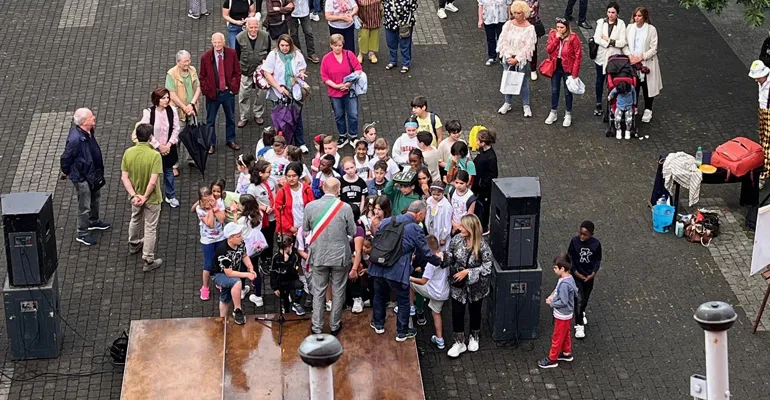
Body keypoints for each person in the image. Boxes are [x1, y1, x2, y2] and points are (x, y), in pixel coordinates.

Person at [369, 201, 441, 341]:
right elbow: (426, 252)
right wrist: (439, 261)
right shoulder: (415, 228)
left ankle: (378, 324)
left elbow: (376, 239)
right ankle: (402, 332)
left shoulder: (387, 221)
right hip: (397, 270)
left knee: (379, 295)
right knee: (403, 301)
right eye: (424, 215)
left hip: (377, 267)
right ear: (419, 214)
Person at [302, 177, 357, 335]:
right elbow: (352, 232)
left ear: (323, 188)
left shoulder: (310, 206)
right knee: (338, 291)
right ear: (338, 190)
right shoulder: (345, 207)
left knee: (319, 291)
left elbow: (305, 228)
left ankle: (317, 327)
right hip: (340, 256)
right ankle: (334, 325)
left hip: (319, 255)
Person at [444, 214, 492, 357]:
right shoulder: (456, 239)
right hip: (458, 285)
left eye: (463, 226)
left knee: (475, 312)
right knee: (457, 312)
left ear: (471, 229)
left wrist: (468, 272)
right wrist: (442, 257)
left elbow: (487, 267)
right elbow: (451, 255)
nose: (460, 228)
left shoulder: (482, 245)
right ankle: (459, 342)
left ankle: (474, 336)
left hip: (476, 288)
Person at [60, 108, 110, 246]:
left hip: (92, 172)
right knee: (84, 204)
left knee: (95, 196)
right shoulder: (75, 139)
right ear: (83, 122)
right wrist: (66, 171)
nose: (94, 117)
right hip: (82, 176)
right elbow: (66, 157)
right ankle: (82, 233)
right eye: (91, 116)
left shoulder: (88, 131)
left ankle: (93, 221)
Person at [120, 124, 163, 271]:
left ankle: (133, 243)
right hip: (152, 198)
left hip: (135, 196)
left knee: (135, 218)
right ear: (150, 137)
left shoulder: (128, 153)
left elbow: (124, 177)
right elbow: (153, 181)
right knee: (150, 228)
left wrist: (134, 195)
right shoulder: (155, 155)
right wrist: (145, 196)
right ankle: (148, 259)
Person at [263, 35, 310, 151]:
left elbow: (302, 67)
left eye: (287, 45)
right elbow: (267, 73)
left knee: (296, 116)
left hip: (294, 91)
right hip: (279, 93)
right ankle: (282, 143)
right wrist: (279, 88)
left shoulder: (297, 54)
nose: (284, 48)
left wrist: (301, 73)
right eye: (282, 45)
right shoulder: (273, 55)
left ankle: (300, 142)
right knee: (280, 118)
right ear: (278, 45)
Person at [139, 88, 181, 208]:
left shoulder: (172, 110)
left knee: (169, 172)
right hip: (153, 150)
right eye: (163, 98)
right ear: (157, 99)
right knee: (153, 174)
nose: (166, 100)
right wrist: (158, 146)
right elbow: (145, 132)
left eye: (167, 97)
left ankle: (170, 196)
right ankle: (151, 196)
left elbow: (176, 128)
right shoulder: (148, 113)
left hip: (168, 149)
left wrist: (168, 145)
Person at [200, 32, 242, 152]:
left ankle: (231, 139)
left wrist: (233, 87)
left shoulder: (232, 53)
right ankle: (211, 143)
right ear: (212, 42)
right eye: (215, 42)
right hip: (213, 94)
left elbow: (237, 72)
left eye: (219, 42)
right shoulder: (205, 57)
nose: (217, 45)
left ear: (224, 42)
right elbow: (202, 76)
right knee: (210, 120)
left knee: (231, 118)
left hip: (228, 93)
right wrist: (207, 90)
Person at [321, 34, 364, 147]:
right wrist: (336, 86)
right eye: (335, 45)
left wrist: (349, 84)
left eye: (340, 45)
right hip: (334, 93)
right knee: (339, 115)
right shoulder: (326, 59)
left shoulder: (349, 55)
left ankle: (353, 136)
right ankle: (343, 136)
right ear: (331, 45)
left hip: (350, 91)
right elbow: (324, 77)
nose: (338, 48)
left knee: (353, 114)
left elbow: (358, 69)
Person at [496, 1, 537, 117]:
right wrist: (508, 56)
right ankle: (507, 103)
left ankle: (526, 105)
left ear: (524, 13)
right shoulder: (508, 25)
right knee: (508, 79)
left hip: (521, 60)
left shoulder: (530, 28)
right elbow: (502, 41)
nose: (516, 15)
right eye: (514, 13)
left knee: (524, 82)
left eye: (519, 13)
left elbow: (529, 46)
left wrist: (517, 59)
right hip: (508, 58)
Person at [212, 223, 258, 325]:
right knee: (237, 282)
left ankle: (222, 320)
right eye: (238, 236)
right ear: (230, 238)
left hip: (232, 271)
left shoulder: (240, 243)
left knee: (225, 297)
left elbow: (244, 256)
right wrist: (247, 274)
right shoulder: (223, 251)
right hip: (220, 274)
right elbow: (229, 273)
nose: (241, 238)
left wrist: (250, 268)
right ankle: (237, 310)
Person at [538, 253, 578, 368]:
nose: (554, 270)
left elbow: (563, 301)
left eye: (555, 268)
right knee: (565, 334)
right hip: (567, 314)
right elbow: (557, 290)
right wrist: (552, 295)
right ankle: (566, 352)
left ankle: (552, 359)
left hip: (562, 315)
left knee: (557, 337)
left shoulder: (564, 284)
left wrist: (552, 303)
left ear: (562, 269)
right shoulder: (567, 279)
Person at [410, 235, 450, 349]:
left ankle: (411, 307)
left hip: (433, 291)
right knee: (436, 313)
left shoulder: (431, 263)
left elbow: (423, 281)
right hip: (444, 292)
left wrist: (409, 278)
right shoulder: (445, 256)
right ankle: (440, 340)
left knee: (410, 284)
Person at [624, 7, 662, 124]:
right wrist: (630, 56)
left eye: (639, 16)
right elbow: (625, 44)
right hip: (632, 63)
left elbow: (653, 48)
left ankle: (648, 109)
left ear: (644, 17)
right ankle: (634, 106)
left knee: (647, 87)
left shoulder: (651, 29)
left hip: (646, 63)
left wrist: (641, 57)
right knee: (634, 86)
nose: (637, 18)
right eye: (635, 16)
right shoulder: (630, 28)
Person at [166, 50, 202, 173]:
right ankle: (174, 165)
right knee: (176, 139)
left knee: (191, 136)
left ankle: (191, 159)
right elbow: (172, 94)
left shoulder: (192, 70)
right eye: (185, 61)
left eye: (188, 60)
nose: (188, 63)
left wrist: (192, 104)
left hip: (192, 111)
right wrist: (184, 107)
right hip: (178, 113)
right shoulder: (171, 74)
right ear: (178, 62)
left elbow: (198, 88)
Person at [567, 220, 602, 339]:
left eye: (585, 235)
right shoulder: (574, 241)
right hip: (577, 276)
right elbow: (570, 257)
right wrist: (575, 272)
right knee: (579, 299)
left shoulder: (596, 244)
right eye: (580, 233)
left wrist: (593, 273)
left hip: (588, 277)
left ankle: (581, 312)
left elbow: (597, 260)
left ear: (591, 234)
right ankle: (579, 325)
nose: (582, 236)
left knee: (585, 299)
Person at [544, 18, 582, 128]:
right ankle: (553, 112)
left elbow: (578, 56)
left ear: (567, 28)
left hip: (568, 68)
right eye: (558, 27)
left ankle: (568, 113)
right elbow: (549, 50)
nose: (559, 30)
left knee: (567, 91)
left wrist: (575, 73)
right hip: (555, 66)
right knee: (554, 90)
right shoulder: (553, 34)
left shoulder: (573, 37)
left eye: (562, 27)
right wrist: (556, 39)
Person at [592, 2, 626, 116]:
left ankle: (612, 103)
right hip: (601, 57)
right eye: (609, 12)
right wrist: (610, 43)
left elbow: (622, 42)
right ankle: (598, 103)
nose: (610, 15)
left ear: (617, 14)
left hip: (614, 58)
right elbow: (597, 38)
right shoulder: (601, 22)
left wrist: (608, 40)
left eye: (613, 13)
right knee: (599, 80)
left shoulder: (621, 24)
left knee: (612, 81)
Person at [236, 17, 271, 128]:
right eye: (251, 27)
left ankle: (258, 114)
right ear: (246, 27)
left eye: (256, 27)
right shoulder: (239, 38)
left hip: (261, 73)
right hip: (246, 71)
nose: (253, 30)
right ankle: (243, 117)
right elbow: (237, 55)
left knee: (261, 94)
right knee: (243, 95)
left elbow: (269, 52)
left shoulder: (266, 36)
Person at [196, 187, 226, 300]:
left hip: (220, 237)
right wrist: (210, 210)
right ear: (200, 201)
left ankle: (219, 281)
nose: (209, 202)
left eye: (210, 199)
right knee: (208, 264)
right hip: (207, 240)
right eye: (206, 201)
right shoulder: (200, 209)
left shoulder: (219, 203)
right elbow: (210, 224)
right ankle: (205, 287)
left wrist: (215, 208)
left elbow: (222, 219)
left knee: (221, 261)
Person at [238, 194, 268, 308]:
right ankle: (258, 295)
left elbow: (236, 229)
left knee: (242, 268)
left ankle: (241, 290)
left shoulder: (243, 220)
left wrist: (235, 214)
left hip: (245, 249)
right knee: (254, 269)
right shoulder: (259, 214)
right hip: (256, 246)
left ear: (244, 206)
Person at [247, 160, 277, 264]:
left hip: (274, 216)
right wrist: (263, 208)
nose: (270, 174)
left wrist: (275, 204)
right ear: (260, 173)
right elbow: (250, 205)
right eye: (268, 172)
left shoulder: (271, 181)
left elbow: (276, 193)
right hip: (263, 220)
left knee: (272, 238)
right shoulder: (252, 188)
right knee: (265, 239)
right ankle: (264, 260)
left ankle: (269, 257)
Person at [274, 162, 315, 235]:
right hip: (288, 231)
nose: (291, 179)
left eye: (294, 176)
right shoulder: (282, 192)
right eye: (288, 176)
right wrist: (290, 228)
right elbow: (278, 213)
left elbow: (312, 209)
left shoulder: (307, 189)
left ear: (299, 176)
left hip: (305, 229)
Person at [271, 236, 307, 315]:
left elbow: (294, 271)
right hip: (281, 282)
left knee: (300, 285)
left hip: (292, 280)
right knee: (285, 301)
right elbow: (273, 273)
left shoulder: (295, 256)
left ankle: (296, 303)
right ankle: (285, 309)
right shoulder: (276, 257)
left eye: (285, 249)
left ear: (291, 246)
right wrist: (275, 287)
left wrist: (287, 263)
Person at [471, 130, 498, 232]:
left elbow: (493, 174)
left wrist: (482, 183)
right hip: (477, 184)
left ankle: (484, 227)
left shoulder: (491, 158)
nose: (476, 142)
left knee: (484, 207)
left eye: (478, 140)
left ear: (483, 143)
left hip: (484, 189)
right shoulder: (482, 150)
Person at [749, 59, 770, 189]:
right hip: (762, 111)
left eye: (758, 77)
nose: (756, 80)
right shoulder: (762, 81)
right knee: (763, 139)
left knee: (767, 143)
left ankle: (763, 175)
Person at [383, 0, 417, 73]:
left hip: (404, 24)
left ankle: (406, 63)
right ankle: (393, 61)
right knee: (391, 42)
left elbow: (413, 7)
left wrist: (407, 20)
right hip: (389, 22)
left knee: (405, 44)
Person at [478, 0, 509, 66]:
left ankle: (502, 56)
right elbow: (480, 5)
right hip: (488, 18)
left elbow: (509, 5)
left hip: (502, 19)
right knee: (490, 38)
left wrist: (510, 19)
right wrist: (480, 19)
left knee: (502, 39)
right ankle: (492, 56)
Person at [426, 184, 452, 251]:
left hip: (440, 230)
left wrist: (444, 237)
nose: (435, 196)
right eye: (433, 194)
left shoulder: (446, 206)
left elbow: (447, 223)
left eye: (438, 195)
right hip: (431, 229)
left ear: (443, 193)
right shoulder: (429, 201)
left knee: (441, 250)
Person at [525, 0, 543, 81]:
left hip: (532, 26)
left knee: (533, 48)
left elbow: (532, 12)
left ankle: (533, 69)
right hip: (520, 25)